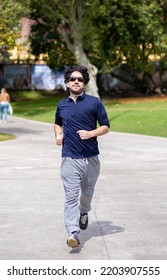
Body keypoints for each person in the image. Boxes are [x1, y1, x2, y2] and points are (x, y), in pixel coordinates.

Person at [54, 65, 110, 248]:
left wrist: (91, 133)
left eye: (79, 79)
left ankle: (84, 211)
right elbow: (57, 124)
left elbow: (105, 126)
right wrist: (58, 135)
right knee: (70, 196)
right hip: (70, 157)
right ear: (67, 83)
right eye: (72, 79)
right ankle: (73, 233)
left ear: (84, 82)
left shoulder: (94, 102)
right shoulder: (62, 105)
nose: (76, 81)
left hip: (91, 158)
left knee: (86, 193)